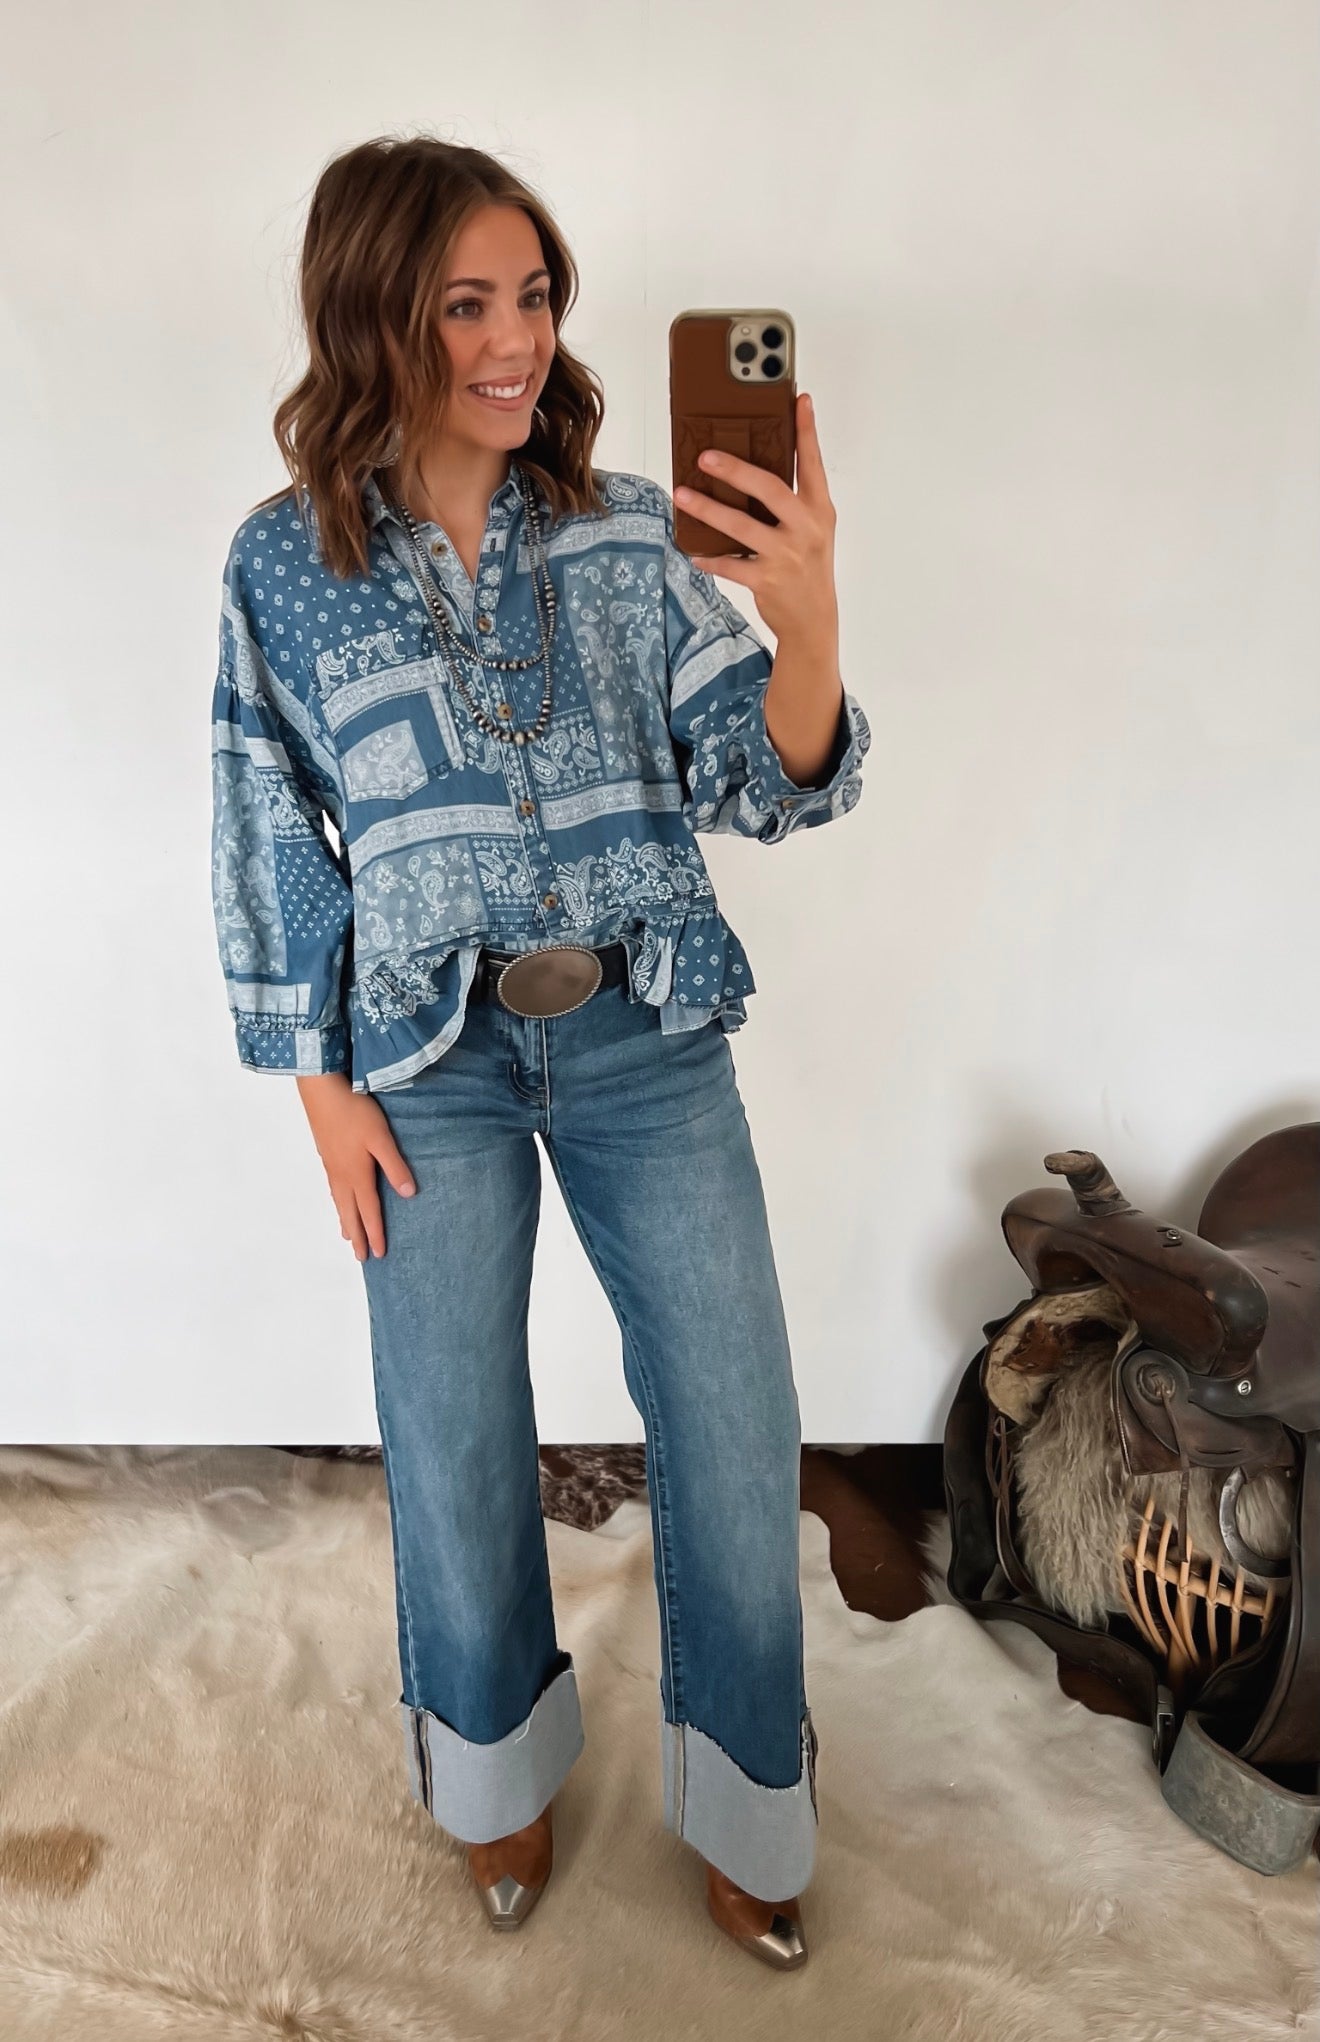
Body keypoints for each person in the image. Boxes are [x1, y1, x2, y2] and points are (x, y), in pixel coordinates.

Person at [209, 133, 870, 1970]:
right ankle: (495, 1783)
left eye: (535, 296)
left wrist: (809, 615)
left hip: (648, 1027)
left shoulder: (631, 530)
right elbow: (265, 821)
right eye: (465, 306)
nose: (517, 341)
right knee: (454, 1433)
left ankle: (750, 1805)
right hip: (424, 1057)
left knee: (734, 1417)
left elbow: (765, 777)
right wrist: (320, 1088)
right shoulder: (286, 563)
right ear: (373, 318)